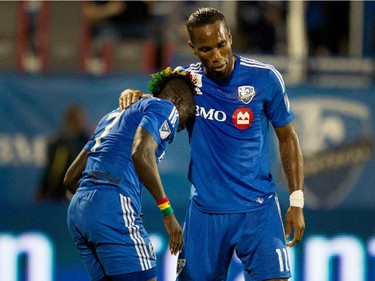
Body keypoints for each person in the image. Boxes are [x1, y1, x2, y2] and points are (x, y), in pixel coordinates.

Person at [119, 7, 305, 281]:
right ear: (193, 48)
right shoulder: (186, 83)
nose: (217, 56)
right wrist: (136, 97)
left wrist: (297, 200)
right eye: (206, 49)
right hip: (206, 213)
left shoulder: (265, 79)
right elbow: (158, 107)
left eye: (221, 45)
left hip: (257, 209)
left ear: (229, 37)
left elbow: (288, 138)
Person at [64, 68, 196, 281]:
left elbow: (70, 177)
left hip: (78, 211)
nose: (184, 126)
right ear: (180, 102)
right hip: (111, 205)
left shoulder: (112, 116)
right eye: (189, 114)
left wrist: (100, 205)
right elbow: (141, 153)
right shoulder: (166, 108)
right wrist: (167, 211)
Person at [35, 104, 88, 202]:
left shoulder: (84, 139)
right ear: (72, 120)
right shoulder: (61, 142)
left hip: (79, 192)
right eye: (81, 118)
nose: (84, 121)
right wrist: (46, 190)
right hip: (59, 194)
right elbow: (56, 169)